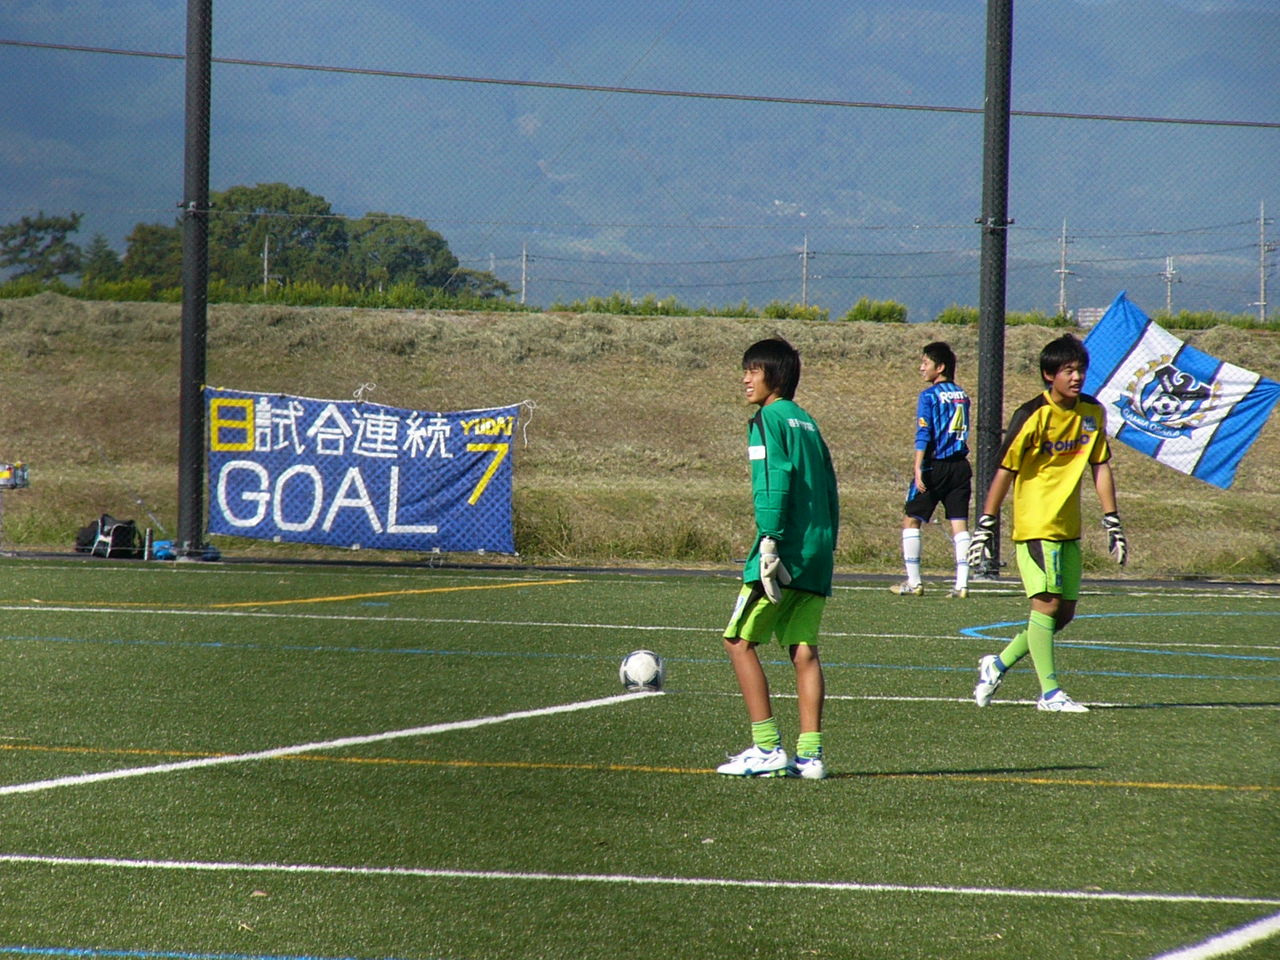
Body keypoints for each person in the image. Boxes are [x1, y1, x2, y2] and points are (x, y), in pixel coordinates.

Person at [968, 333, 1128, 713]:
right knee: (1046, 604)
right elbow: (1005, 471)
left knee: (1063, 613)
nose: (1076, 377)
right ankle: (1050, 693)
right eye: (1068, 370)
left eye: (1081, 370)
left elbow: (1100, 465)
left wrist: (1112, 520)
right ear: (1048, 374)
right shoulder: (1031, 415)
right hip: (1036, 524)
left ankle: (998, 663)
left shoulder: (1092, 412)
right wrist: (986, 524)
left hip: (1069, 527)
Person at [717, 337, 840, 779]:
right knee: (803, 650)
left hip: (782, 550)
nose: (746, 378)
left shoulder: (768, 418)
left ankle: (766, 747)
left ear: (777, 375)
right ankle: (811, 756)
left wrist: (769, 539)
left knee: (738, 641)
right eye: (745, 369)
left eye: (754, 369)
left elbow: (773, 480)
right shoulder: (807, 422)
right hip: (816, 553)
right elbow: (829, 489)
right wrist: (826, 546)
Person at [890, 341, 973, 598]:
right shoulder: (962, 395)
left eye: (925, 363)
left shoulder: (928, 396)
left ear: (940, 367)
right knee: (959, 524)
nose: (921, 367)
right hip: (960, 466)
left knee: (911, 519)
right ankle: (962, 585)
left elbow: (924, 433)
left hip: (934, 465)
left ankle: (914, 582)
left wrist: (918, 467)